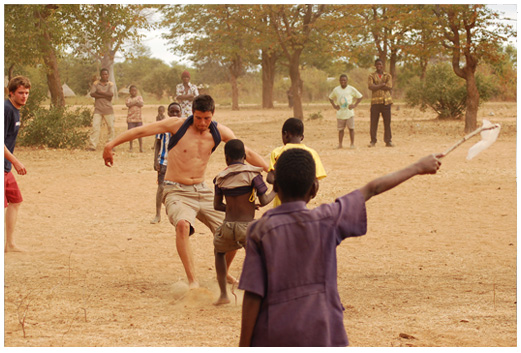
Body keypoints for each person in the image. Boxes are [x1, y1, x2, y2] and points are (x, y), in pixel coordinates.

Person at [238, 148, 442, 347]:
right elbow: (371, 189)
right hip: (322, 332)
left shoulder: (259, 231)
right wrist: (417, 167)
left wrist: (244, 346)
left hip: (274, 336)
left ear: (276, 187)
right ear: (314, 189)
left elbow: (253, 294)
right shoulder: (326, 220)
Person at [103, 94, 269, 288]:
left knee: (233, 230)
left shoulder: (219, 131)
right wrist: (110, 145)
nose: (202, 122)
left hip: (202, 190)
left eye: (207, 118)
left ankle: (221, 273)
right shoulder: (177, 125)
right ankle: (193, 282)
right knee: (183, 225)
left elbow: (246, 152)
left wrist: (270, 170)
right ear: (192, 113)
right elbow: (141, 131)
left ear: (213, 115)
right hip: (176, 190)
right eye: (198, 118)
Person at [212, 139, 275, 306]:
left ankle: (224, 294)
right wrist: (277, 189)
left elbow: (217, 205)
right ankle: (260, 294)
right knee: (257, 257)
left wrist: (234, 208)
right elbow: (265, 199)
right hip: (247, 227)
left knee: (219, 253)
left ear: (226, 158)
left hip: (227, 227)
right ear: (244, 157)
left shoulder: (220, 178)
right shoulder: (253, 175)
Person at [267, 117, 327, 208]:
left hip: (280, 206)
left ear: (285, 135)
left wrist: (283, 184)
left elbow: (269, 178)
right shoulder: (312, 153)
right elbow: (315, 182)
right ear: (302, 137)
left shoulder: (277, 153)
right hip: (301, 206)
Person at [4, 76, 31, 252]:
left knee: (15, 201)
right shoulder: (5, 110)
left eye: (27, 93)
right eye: (20, 93)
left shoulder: (16, 110)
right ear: (11, 92)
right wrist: (15, 161)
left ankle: (10, 244)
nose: (24, 96)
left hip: (5, 168)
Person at [151, 103, 182, 224]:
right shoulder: (163, 126)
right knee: (161, 187)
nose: (174, 114)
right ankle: (158, 214)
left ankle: (177, 214)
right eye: (172, 112)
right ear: (168, 113)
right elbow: (158, 142)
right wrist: (155, 160)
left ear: (180, 113)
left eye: (177, 112)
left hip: (178, 162)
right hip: (163, 160)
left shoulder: (184, 126)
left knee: (179, 188)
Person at [328, 74, 363, 149]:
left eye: (344, 80)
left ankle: (352, 144)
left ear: (347, 81)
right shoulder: (336, 89)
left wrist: (354, 105)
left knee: (351, 129)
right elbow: (330, 97)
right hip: (340, 113)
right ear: (339, 81)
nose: (343, 81)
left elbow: (360, 96)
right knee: (341, 130)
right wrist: (334, 105)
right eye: (341, 80)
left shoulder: (351, 89)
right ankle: (340, 144)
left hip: (349, 113)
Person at [368, 58, 394, 147]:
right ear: (375, 66)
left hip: (386, 102)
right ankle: (373, 141)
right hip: (375, 102)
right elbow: (371, 86)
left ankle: (388, 141)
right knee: (373, 122)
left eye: (380, 64)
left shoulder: (388, 76)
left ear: (383, 66)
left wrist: (377, 86)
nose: (379, 66)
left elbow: (389, 86)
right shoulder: (371, 75)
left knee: (387, 122)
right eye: (377, 64)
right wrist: (382, 84)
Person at [87, 68, 115, 151]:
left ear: (108, 75)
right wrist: (105, 95)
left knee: (111, 127)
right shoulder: (96, 83)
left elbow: (111, 94)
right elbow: (92, 94)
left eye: (106, 74)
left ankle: (111, 145)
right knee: (95, 127)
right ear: (100, 75)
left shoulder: (110, 84)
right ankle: (92, 145)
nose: (104, 76)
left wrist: (99, 93)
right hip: (98, 109)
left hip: (108, 109)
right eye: (103, 74)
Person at [125, 85, 144, 152]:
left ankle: (141, 147)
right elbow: (128, 104)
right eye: (132, 91)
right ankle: (131, 147)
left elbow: (141, 104)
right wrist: (136, 102)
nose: (133, 92)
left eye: (135, 90)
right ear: (130, 92)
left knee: (140, 133)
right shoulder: (128, 98)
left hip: (138, 118)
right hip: (130, 119)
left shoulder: (139, 97)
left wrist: (133, 103)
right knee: (130, 134)